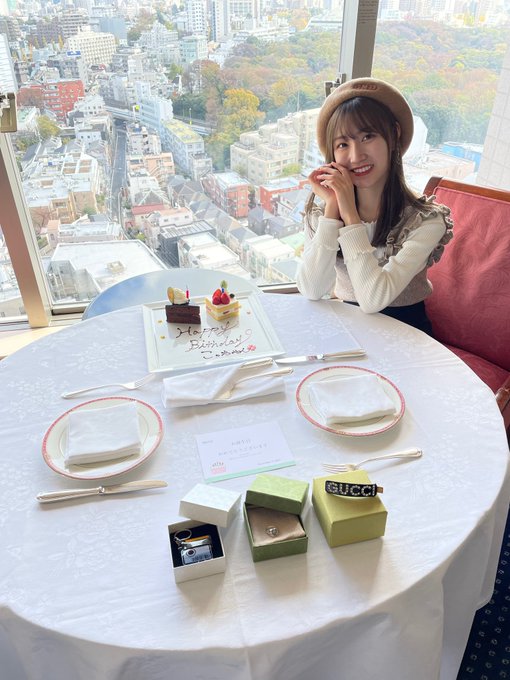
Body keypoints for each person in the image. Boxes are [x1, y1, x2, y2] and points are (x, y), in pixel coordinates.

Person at [296, 77, 453, 335]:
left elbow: (373, 299)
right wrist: (333, 208)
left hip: (408, 340)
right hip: (350, 336)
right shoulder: (322, 212)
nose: (356, 156)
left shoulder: (425, 221)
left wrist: (349, 214)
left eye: (368, 136)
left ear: (394, 134)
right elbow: (312, 289)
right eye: (343, 144)